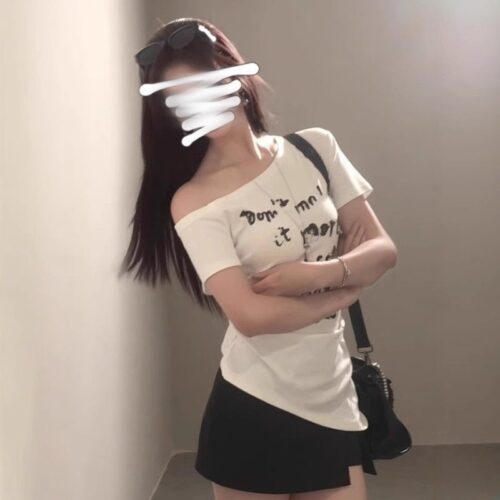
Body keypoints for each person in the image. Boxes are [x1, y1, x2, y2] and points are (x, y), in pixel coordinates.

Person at [121, 16, 398, 500]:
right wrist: (341, 292)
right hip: (254, 404)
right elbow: (250, 317)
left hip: (333, 395)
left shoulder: (315, 148)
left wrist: (314, 276)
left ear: (234, 74)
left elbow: (382, 250)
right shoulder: (194, 200)